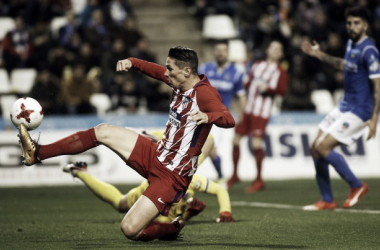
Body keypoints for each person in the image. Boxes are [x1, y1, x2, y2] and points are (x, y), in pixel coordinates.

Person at [18, 46, 235, 241]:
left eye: (170, 68)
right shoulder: (178, 82)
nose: (166, 73)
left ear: (187, 71)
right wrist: (132, 61)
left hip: (172, 176)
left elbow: (229, 119)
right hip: (156, 152)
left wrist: (208, 117)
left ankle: (170, 228)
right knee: (102, 131)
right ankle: (37, 153)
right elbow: (154, 71)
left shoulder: (205, 94)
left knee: (130, 229)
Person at [301, 5, 380, 210]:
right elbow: (343, 65)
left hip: (359, 110)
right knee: (314, 147)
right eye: (349, 23)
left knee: (323, 147)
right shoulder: (351, 44)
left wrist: (374, 119)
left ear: (365, 26)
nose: (351, 27)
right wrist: (319, 55)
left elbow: (377, 86)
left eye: (356, 23)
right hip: (344, 105)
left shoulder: (369, 51)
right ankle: (327, 199)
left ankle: (357, 185)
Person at [61, 131, 234, 223]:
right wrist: (188, 214)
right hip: (150, 190)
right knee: (121, 204)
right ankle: (81, 172)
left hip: (160, 182)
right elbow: (162, 222)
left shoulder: (191, 179)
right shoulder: (181, 179)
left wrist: (224, 211)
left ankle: (80, 171)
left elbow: (220, 190)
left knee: (121, 204)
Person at [227, 41, 288, 193]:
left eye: (278, 49)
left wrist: (269, 89)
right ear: (267, 50)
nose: (275, 51)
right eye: (272, 48)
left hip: (262, 112)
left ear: (281, 54)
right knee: (235, 139)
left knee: (256, 144)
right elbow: (247, 84)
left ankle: (259, 179)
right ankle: (235, 174)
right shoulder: (257, 65)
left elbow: (281, 90)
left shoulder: (280, 71)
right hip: (248, 109)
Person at [198, 40, 246, 182]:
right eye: (218, 50)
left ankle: (220, 176)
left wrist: (241, 115)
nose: (220, 53)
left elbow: (242, 96)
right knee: (204, 149)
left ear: (227, 53)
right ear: (214, 52)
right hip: (201, 114)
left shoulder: (235, 73)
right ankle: (219, 176)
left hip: (219, 117)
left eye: (223, 50)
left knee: (210, 148)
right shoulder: (204, 69)